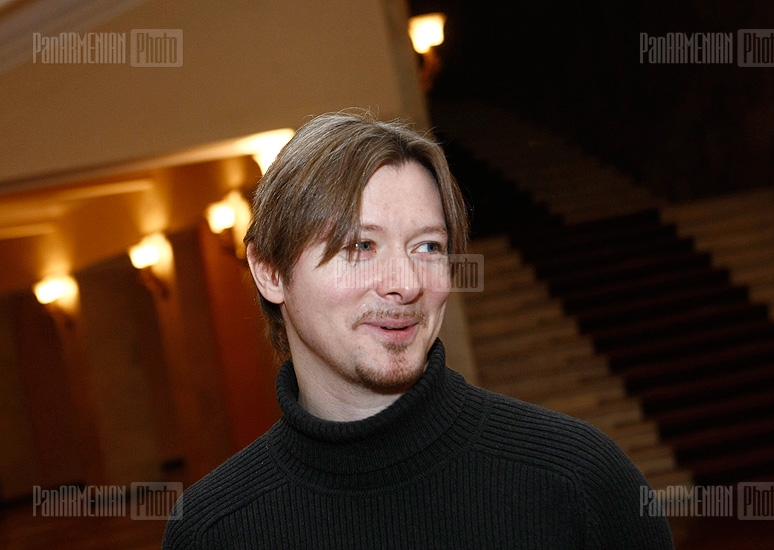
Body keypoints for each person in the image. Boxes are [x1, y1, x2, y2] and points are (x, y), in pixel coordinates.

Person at [162, 110, 674, 549]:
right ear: (270, 271)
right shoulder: (214, 530)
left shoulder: (579, 479)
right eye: (360, 247)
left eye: (428, 247)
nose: (406, 284)